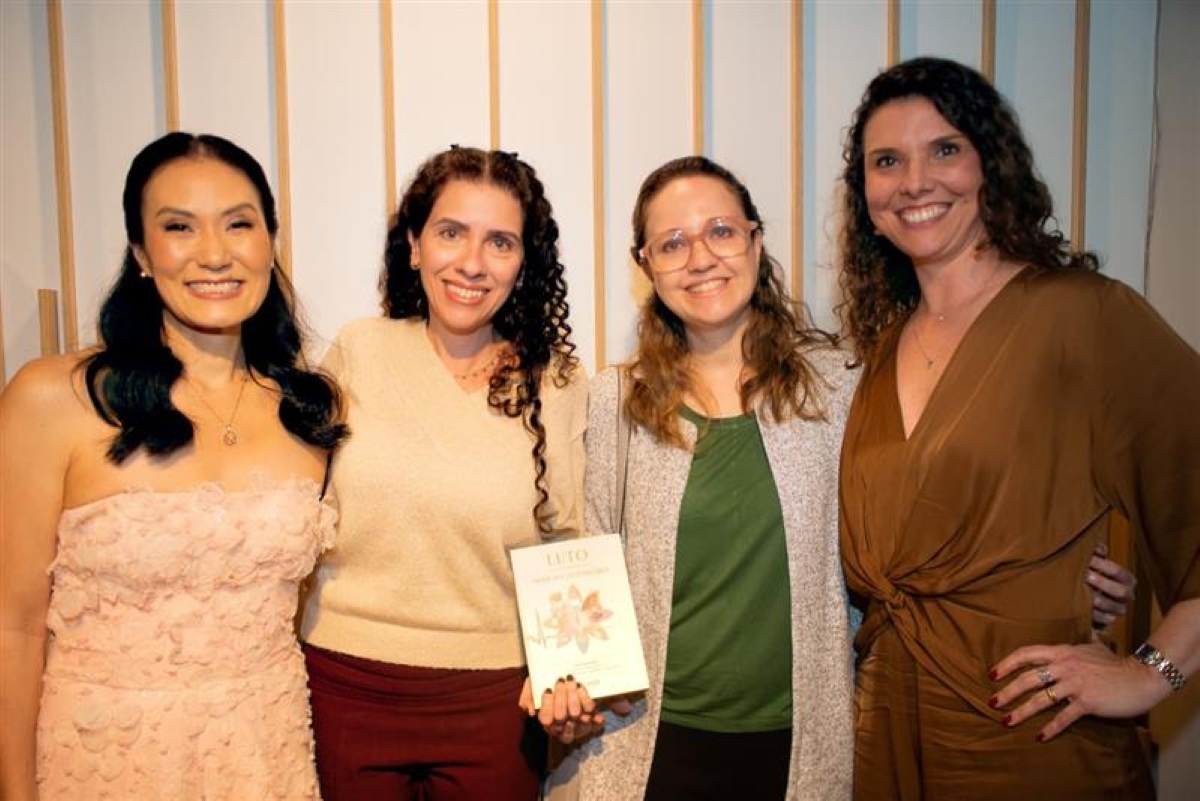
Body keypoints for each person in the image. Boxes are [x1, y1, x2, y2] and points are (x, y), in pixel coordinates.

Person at [836, 56, 1199, 799]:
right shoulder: (879, 353)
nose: (914, 181)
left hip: (1029, 740)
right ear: (865, 193)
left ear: (989, 164)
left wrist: (1149, 670)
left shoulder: (1082, 315)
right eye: (886, 161)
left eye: (944, 149)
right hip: (883, 741)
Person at [0, 132, 346, 800]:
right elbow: (11, 627)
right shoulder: (51, 398)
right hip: (105, 763)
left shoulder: (310, 412)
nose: (214, 253)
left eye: (239, 224)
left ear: (269, 240)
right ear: (140, 253)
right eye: (179, 227)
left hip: (263, 754)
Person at [544, 155, 859, 800]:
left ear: (755, 241)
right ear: (646, 266)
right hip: (652, 741)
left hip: (799, 742)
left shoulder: (839, 386)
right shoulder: (617, 401)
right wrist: (566, 673)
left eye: (720, 231)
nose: (700, 258)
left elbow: (900, 537)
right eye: (672, 243)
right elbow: (585, 549)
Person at [299, 146, 587, 800]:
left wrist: (569, 671)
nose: (472, 263)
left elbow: (568, 541)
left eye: (501, 242)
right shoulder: (358, 349)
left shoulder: (559, 381)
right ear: (413, 245)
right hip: (345, 684)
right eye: (451, 232)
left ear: (524, 262)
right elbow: (296, 504)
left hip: (494, 697)